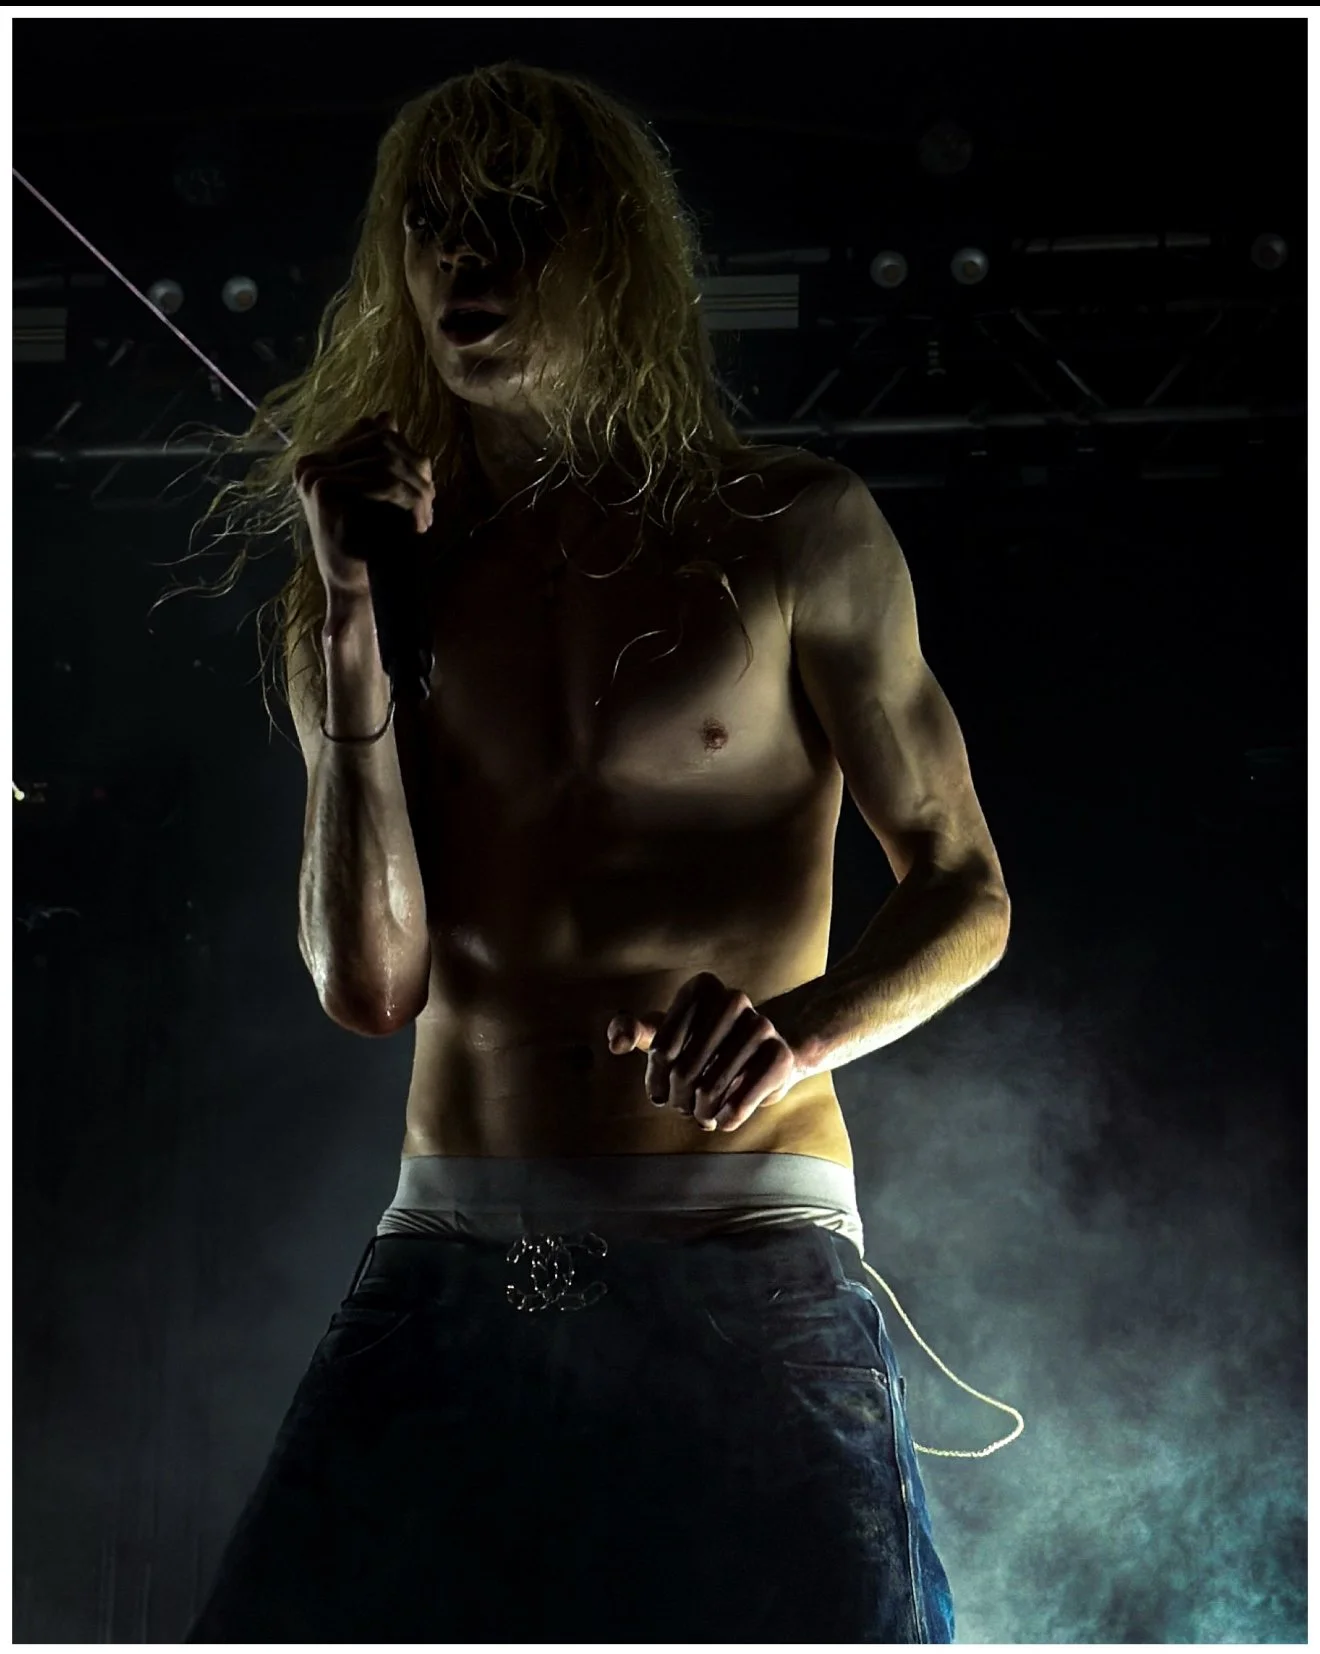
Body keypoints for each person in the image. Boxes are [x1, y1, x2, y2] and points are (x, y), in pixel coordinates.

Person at [185, 60, 1009, 1643]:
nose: (465, 261)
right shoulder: (365, 584)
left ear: (614, 255)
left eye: (515, 222)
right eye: (434, 223)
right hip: (459, 1243)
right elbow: (370, 985)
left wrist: (800, 1027)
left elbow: (969, 888)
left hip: (747, 1234)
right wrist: (352, 618)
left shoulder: (794, 527)